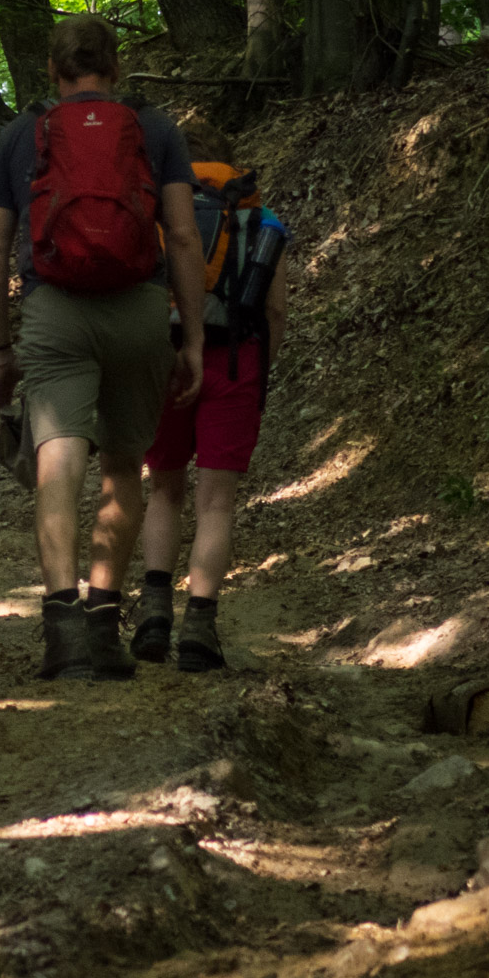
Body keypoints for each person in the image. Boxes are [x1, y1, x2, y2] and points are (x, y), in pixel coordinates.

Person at [0, 15, 208, 681]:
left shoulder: (23, 135)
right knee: (124, 467)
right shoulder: (156, 130)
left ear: (53, 69)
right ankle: (105, 629)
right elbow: (185, 239)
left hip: (55, 313)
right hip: (139, 310)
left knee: (57, 465)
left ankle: (63, 633)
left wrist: (0, 349)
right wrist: (191, 338)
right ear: (117, 65)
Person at [131, 120, 291, 671]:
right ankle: (200, 626)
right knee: (216, 502)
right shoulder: (257, 217)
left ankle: (153, 613)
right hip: (235, 359)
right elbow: (274, 308)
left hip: (167, 359)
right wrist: (262, 363)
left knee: (164, 490)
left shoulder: (156, 213)